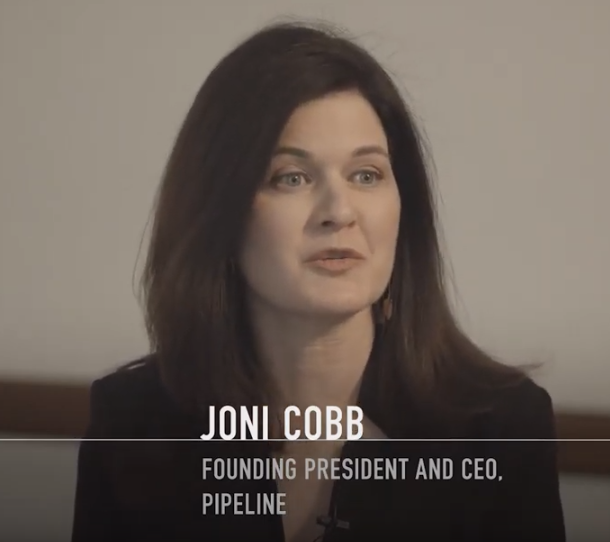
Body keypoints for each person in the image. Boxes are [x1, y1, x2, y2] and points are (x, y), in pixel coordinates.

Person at [71, 20, 565, 542]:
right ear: (218, 211)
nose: (339, 211)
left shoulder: (501, 429)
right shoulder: (132, 425)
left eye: (366, 175)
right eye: (292, 177)